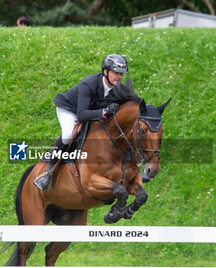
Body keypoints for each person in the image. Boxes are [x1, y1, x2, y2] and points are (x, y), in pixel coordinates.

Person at [34, 54, 150, 191]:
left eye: (121, 74)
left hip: (93, 110)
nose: (119, 77)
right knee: (67, 134)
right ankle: (48, 171)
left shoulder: (118, 88)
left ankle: (135, 167)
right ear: (105, 71)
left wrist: (148, 110)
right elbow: (82, 115)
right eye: (116, 73)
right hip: (71, 110)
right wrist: (104, 112)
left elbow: (133, 102)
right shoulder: (89, 84)